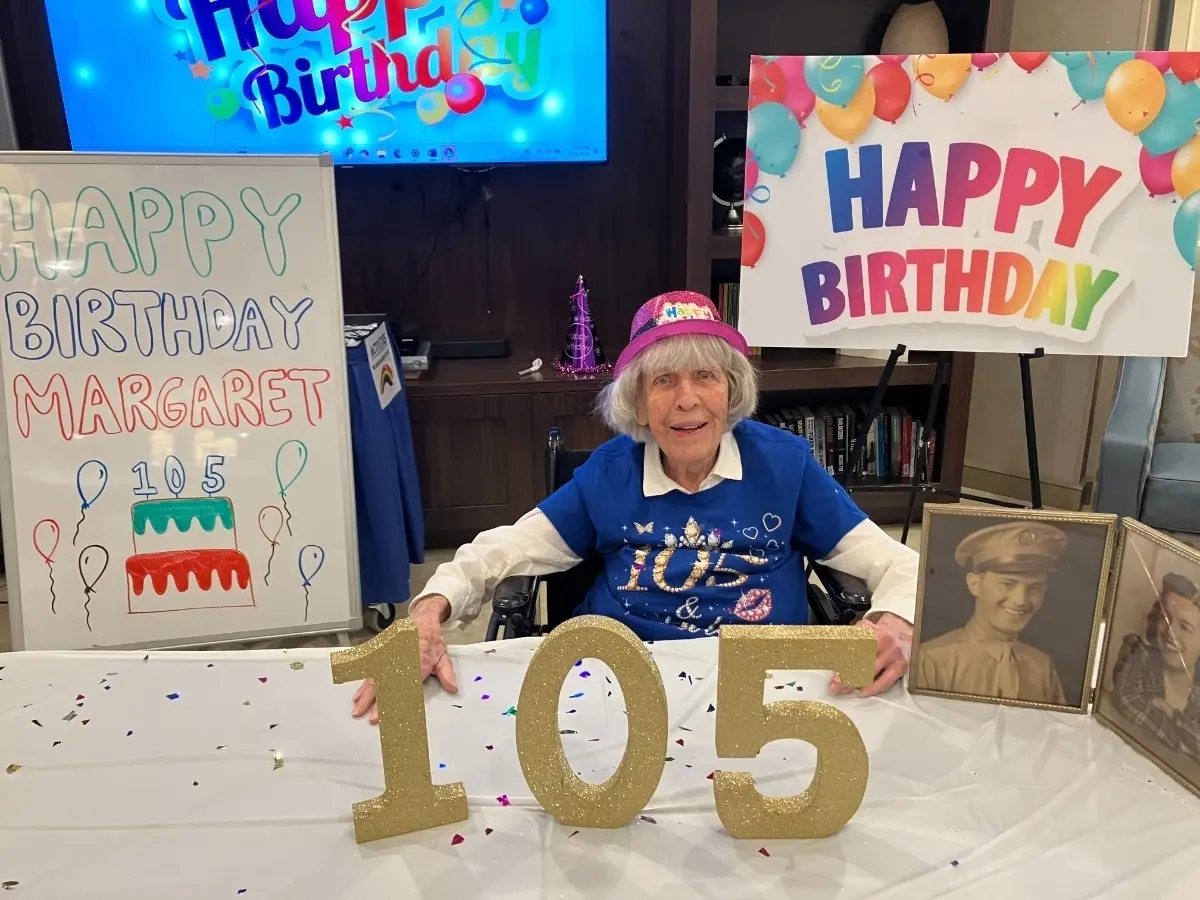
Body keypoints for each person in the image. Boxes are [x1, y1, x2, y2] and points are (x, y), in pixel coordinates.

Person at [353, 291, 919, 723]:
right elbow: (505, 550)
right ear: (638, 404)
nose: (687, 399)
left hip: (766, 686)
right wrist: (427, 615)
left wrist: (892, 621)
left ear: (731, 390)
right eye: (663, 381)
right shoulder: (610, 472)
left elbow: (899, 563)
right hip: (618, 681)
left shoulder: (787, 465)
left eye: (705, 376)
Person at [914, 521, 1068, 705]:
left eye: (1035, 588)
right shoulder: (933, 660)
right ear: (974, 584)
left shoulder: (1042, 667)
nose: (1021, 600)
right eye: (1008, 584)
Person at [1111, 572, 1200, 759]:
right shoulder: (1137, 652)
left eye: (1185, 627)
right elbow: (1126, 699)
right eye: (1165, 619)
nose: (1170, 633)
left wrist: (1172, 715)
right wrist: (1183, 745)